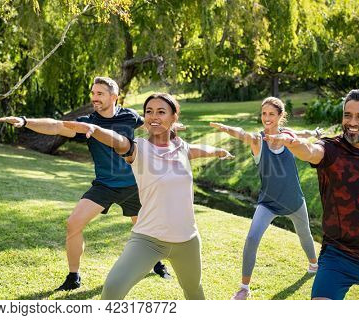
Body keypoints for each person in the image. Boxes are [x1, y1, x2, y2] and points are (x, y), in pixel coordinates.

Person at [0, 77, 171, 291]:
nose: (94, 98)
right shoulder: (88, 122)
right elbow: (58, 126)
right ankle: (73, 277)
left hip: (134, 185)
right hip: (104, 186)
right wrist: (25, 121)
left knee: (145, 228)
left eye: (100, 94)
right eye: (93, 93)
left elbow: (151, 126)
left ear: (114, 97)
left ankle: (157, 263)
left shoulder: (128, 116)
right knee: (73, 224)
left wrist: (170, 126)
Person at [64, 92, 234, 300]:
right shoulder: (139, 149)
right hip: (148, 239)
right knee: (113, 290)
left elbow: (197, 150)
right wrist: (96, 129)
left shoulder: (181, 147)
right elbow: (118, 141)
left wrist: (217, 151)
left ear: (174, 117)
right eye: (149, 112)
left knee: (193, 291)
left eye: (161, 112)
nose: (154, 116)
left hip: (187, 239)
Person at [263, 89, 359, 300]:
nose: (352, 122)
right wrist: (293, 143)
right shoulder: (331, 149)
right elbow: (311, 151)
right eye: (348, 115)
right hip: (339, 255)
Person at [210, 97, 321, 300]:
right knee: (252, 238)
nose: (266, 118)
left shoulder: (288, 136)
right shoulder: (258, 141)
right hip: (268, 203)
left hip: (294, 200)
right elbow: (242, 134)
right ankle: (244, 288)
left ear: (280, 116)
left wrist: (314, 134)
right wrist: (225, 128)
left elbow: (301, 134)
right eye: (263, 114)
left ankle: (314, 264)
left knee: (305, 235)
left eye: (271, 114)